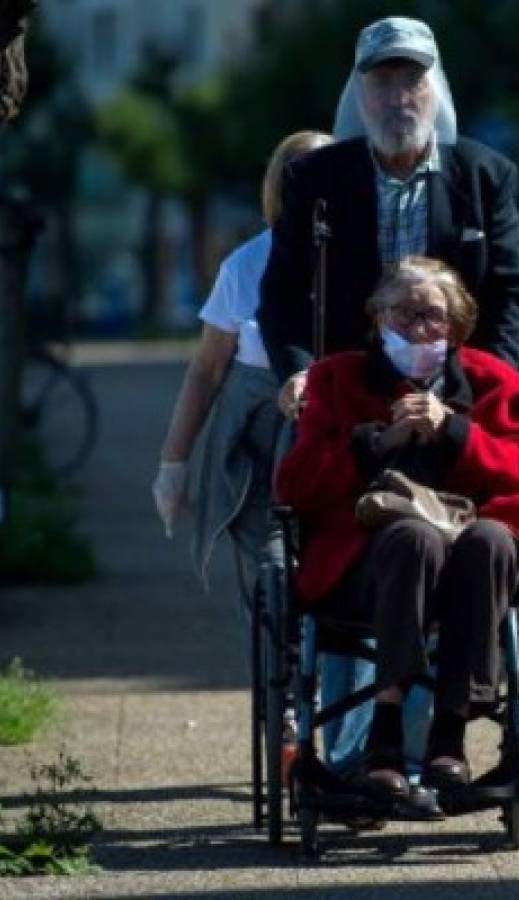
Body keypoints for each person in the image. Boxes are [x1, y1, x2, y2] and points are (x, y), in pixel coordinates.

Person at [274, 256, 519, 806]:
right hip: (363, 570)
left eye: (434, 316)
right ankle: (384, 738)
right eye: (404, 312)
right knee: (412, 537)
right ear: (376, 316)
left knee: (493, 539)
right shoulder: (335, 379)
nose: (419, 327)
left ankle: (449, 740)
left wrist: (455, 432)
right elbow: (296, 485)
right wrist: (375, 443)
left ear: (457, 327)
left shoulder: (494, 381)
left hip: (469, 572)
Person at [259, 15, 519, 421]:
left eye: (412, 80)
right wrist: (300, 373)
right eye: (382, 82)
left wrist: (487, 379)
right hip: (345, 394)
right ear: (358, 93)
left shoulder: (485, 175)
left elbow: (513, 291)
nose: (398, 97)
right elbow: (282, 294)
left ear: (436, 89)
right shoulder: (314, 179)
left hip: (457, 398)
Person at [152, 130, 332, 603]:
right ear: (279, 186)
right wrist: (173, 463)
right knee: (270, 572)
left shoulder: (362, 256)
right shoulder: (245, 266)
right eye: (300, 174)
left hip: (341, 433)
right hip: (260, 439)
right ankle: (280, 655)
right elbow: (207, 370)